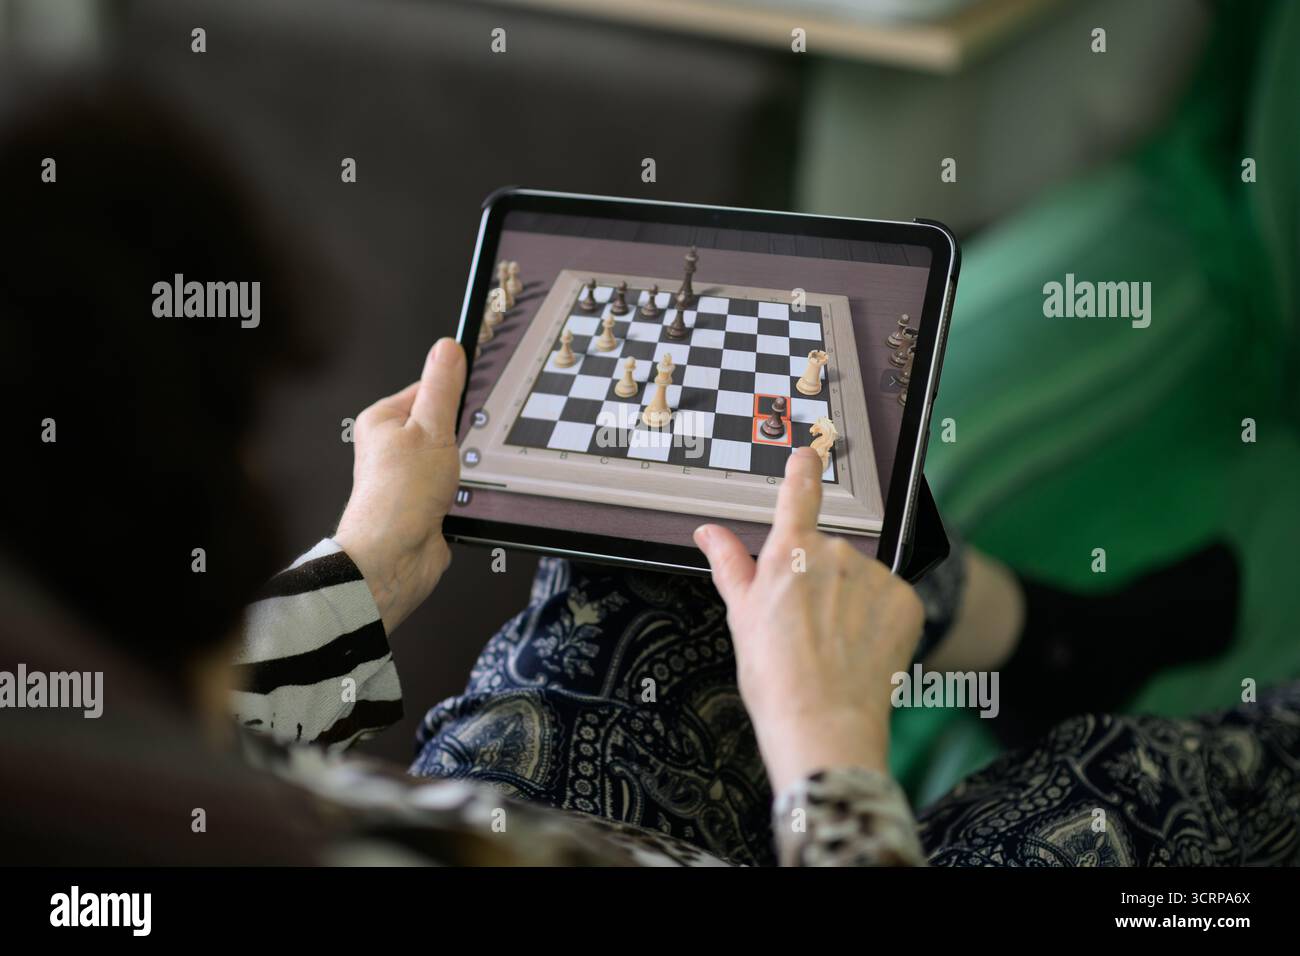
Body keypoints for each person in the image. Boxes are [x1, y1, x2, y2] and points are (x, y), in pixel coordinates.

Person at [4, 82, 1298, 868]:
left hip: (516, 815)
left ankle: (1047, 644)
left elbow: (186, 749)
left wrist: (358, 575)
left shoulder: (74, 752)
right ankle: (1096, 678)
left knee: (688, 498)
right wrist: (832, 756)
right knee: (1122, 811)